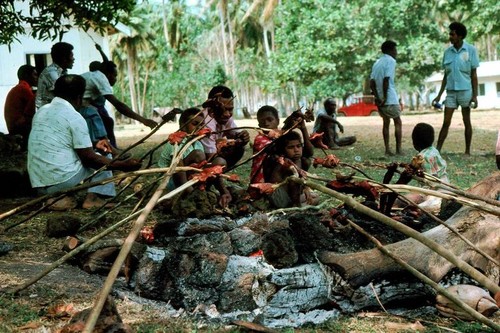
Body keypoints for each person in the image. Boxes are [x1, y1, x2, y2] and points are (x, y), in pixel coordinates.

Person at [28, 75, 142, 210]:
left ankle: (56, 199)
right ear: (79, 97)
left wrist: (93, 144)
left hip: (38, 184)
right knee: (105, 156)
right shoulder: (74, 117)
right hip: (60, 182)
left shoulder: (42, 111)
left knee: (95, 153)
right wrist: (122, 165)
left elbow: (61, 142)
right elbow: (90, 159)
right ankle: (93, 199)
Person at [80, 61, 157, 148]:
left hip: (79, 105)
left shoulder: (94, 75)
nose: (116, 79)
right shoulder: (101, 78)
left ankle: (111, 148)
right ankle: (108, 149)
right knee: (102, 122)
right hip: (78, 108)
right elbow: (118, 105)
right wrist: (143, 120)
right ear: (109, 74)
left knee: (107, 121)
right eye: (115, 75)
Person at [432, 22, 479, 155]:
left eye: (452, 34)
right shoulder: (447, 52)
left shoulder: (471, 50)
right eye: (450, 34)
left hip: (466, 91)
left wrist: (475, 95)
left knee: (466, 121)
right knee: (446, 122)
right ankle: (437, 150)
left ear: (460, 36)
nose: (450, 37)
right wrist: (439, 95)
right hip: (451, 92)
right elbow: (446, 76)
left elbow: (474, 75)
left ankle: (467, 151)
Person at [263, 131, 319, 208]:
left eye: (298, 146)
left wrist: (305, 188)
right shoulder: (284, 162)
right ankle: (296, 207)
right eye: (290, 147)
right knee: (294, 178)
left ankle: (295, 206)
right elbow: (295, 181)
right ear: (283, 150)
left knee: (315, 197)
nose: (296, 150)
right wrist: (298, 203)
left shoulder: (301, 160)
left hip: (290, 197)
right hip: (280, 198)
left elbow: (301, 179)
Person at [200, 85, 250, 168]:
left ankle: (220, 172)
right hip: (200, 160)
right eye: (222, 109)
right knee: (219, 161)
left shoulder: (225, 117)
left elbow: (235, 133)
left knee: (239, 147)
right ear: (211, 107)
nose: (227, 114)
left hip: (213, 156)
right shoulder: (205, 122)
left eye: (230, 109)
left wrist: (243, 137)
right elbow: (210, 156)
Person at [370, 40, 403, 156]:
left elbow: (372, 82)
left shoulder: (377, 63)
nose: (396, 52)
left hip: (379, 98)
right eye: (395, 50)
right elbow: (386, 80)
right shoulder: (391, 61)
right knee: (397, 121)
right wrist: (384, 97)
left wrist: (377, 97)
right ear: (390, 50)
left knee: (386, 122)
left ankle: (387, 149)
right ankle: (399, 149)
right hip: (390, 98)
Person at [406, 123, 449, 210]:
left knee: (415, 203)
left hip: (435, 191)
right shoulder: (434, 150)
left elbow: (431, 181)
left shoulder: (422, 157)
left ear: (415, 142)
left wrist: (421, 194)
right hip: (446, 185)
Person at [4, 65, 38, 149]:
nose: (37, 77)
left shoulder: (19, 88)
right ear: (27, 76)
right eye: (34, 75)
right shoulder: (23, 89)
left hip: (14, 127)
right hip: (19, 128)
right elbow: (35, 108)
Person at [36, 42, 75, 108]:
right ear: (64, 59)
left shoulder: (62, 72)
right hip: (47, 112)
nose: (73, 59)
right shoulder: (51, 73)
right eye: (71, 56)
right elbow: (65, 94)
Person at [250, 105, 280, 184]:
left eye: (270, 120)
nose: (266, 123)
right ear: (259, 125)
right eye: (262, 121)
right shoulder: (259, 139)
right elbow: (276, 148)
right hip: (261, 180)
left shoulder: (281, 135)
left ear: (278, 121)